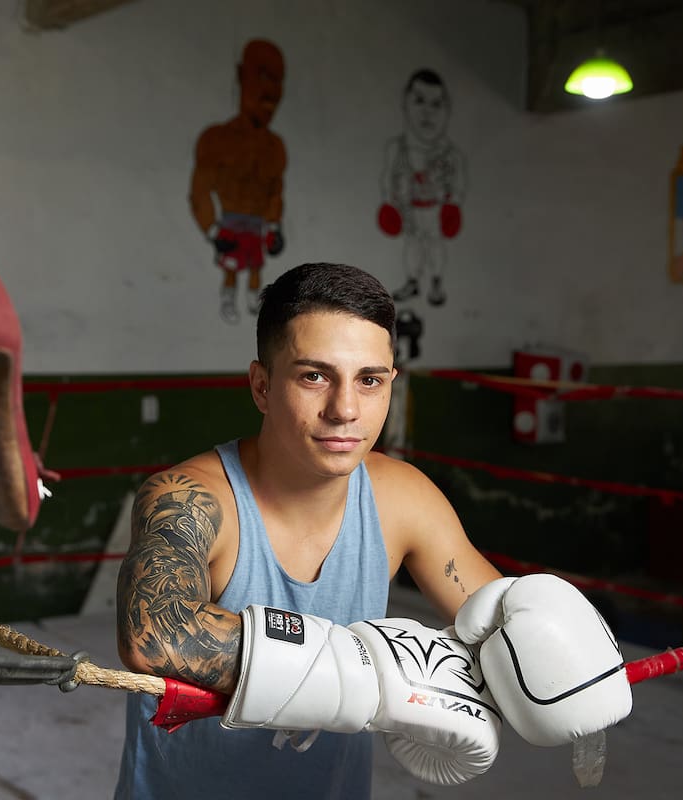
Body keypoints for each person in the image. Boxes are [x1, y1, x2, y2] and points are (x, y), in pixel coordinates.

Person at [113, 263, 633, 798]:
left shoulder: (400, 498)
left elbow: (505, 627)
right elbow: (156, 634)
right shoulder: (190, 498)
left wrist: (564, 661)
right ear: (262, 386)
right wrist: (366, 672)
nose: (345, 410)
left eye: (369, 380)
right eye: (314, 376)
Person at [189, 39, 288, 324]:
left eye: (278, 82)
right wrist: (213, 231)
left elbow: (275, 193)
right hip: (230, 224)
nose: (271, 95)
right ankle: (229, 300)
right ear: (241, 75)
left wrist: (274, 227)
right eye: (264, 77)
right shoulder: (216, 140)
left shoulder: (275, 148)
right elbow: (199, 192)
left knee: (256, 268)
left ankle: (254, 303)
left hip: (256, 227)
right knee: (231, 268)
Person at [377, 69, 466, 306]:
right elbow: (387, 179)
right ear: (405, 104)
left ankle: (436, 282)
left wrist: (453, 206)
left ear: (447, 111)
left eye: (436, 104)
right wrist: (389, 204)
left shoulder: (451, 156)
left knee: (435, 246)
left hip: (435, 211)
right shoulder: (397, 149)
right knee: (413, 247)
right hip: (411, 210)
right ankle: (413, 282)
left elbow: (457, 184)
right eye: (419, 100)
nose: (427, 111)